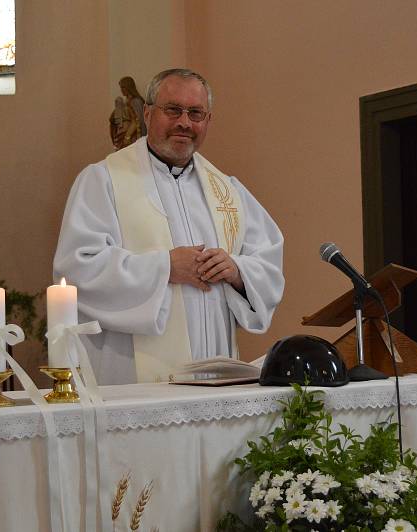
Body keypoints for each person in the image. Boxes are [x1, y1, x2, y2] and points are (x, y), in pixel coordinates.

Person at [54, 68, 285, 384]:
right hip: (135, 379)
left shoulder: (228, 191)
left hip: (215, 378)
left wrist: (236, 271)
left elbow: (268, 265)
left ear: (207, 121)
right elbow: (77, 269)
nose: (185, 123)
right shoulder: (103, 180)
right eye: (173, 110)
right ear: (148, 114)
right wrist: (165, 267)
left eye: (196, 113)